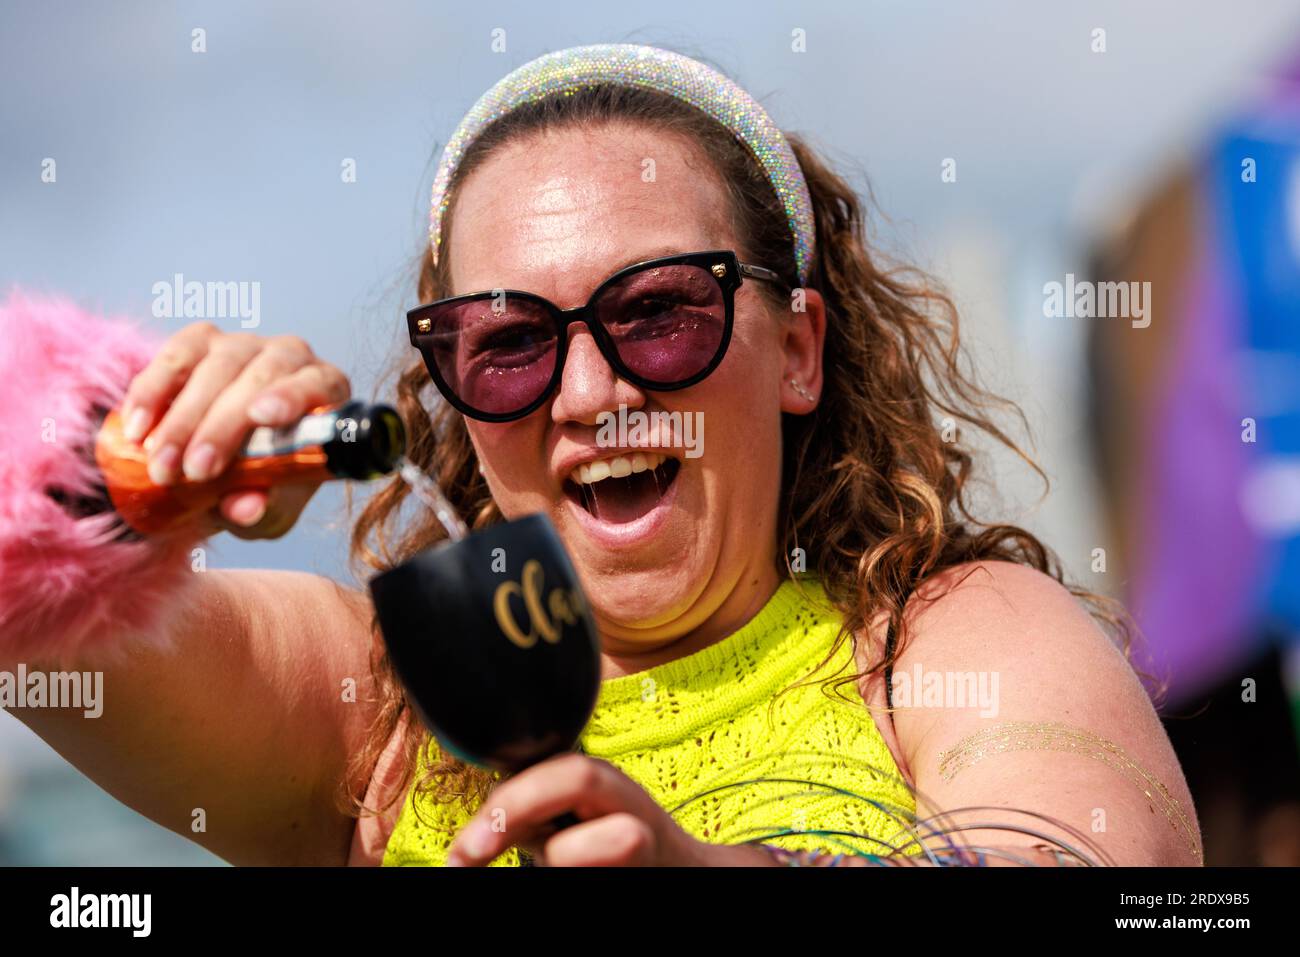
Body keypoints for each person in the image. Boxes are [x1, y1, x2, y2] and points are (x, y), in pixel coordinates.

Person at [10, 44, 1202, 867]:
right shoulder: (374, 710)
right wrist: (123, 462)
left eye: (660, 313)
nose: (590, 393)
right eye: (510, 342)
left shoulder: (938, 639)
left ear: (797, 347)